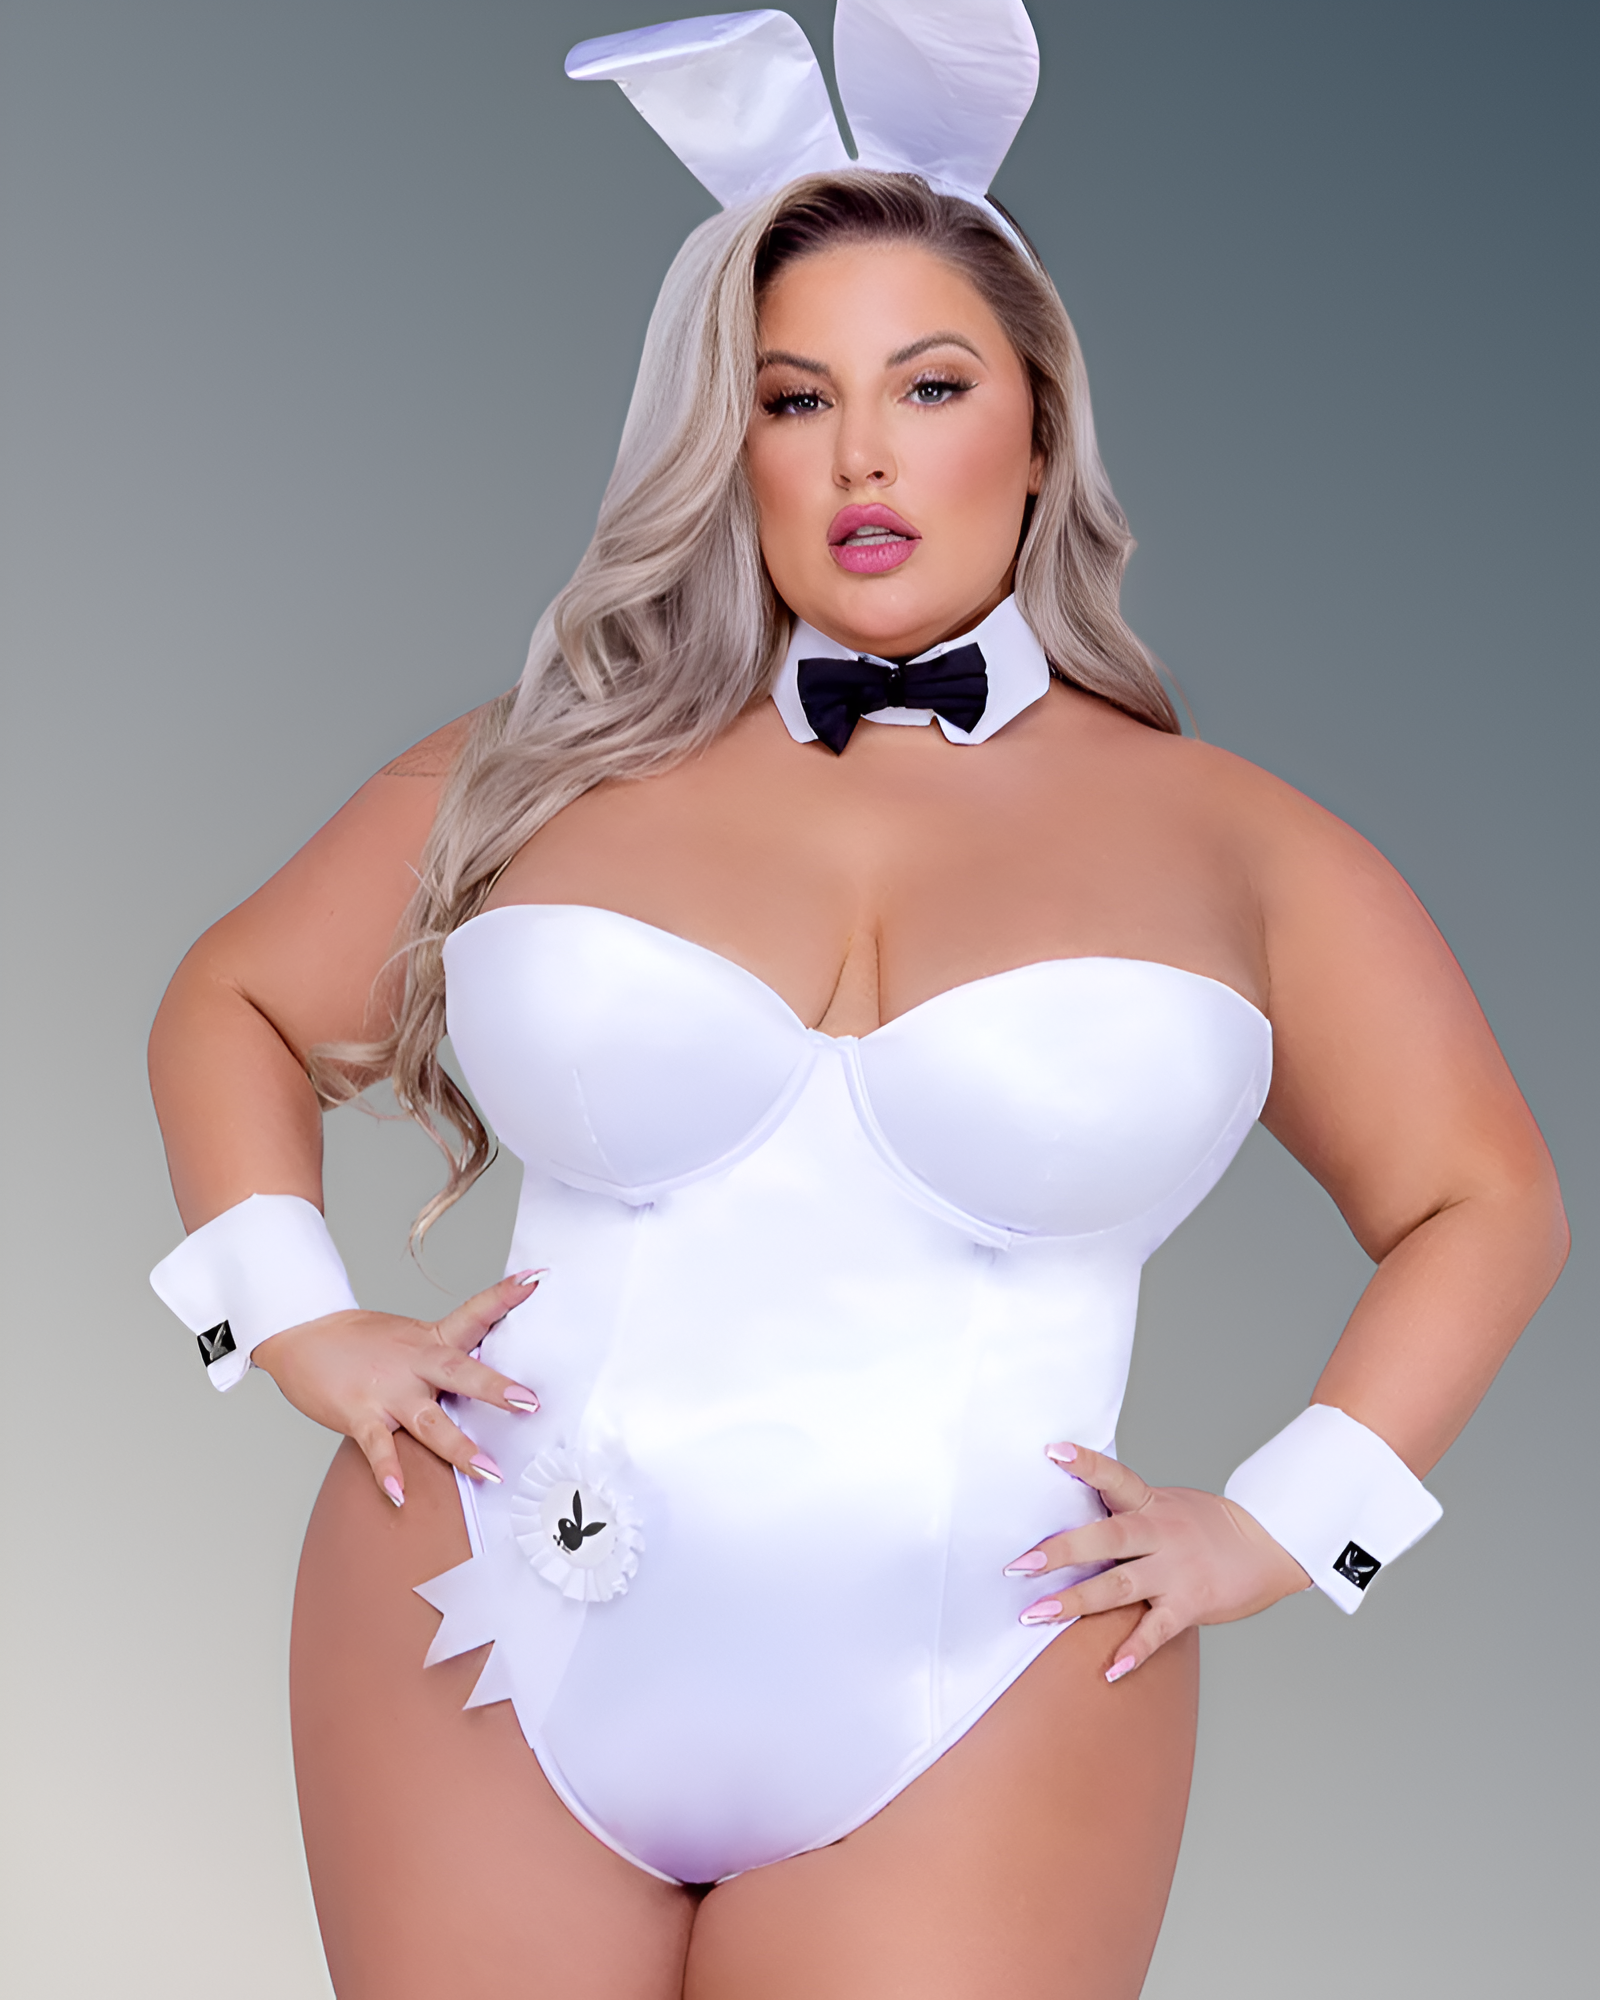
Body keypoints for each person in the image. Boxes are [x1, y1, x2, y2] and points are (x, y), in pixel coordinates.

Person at [146, 7, 1567, 1996]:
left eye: (930, 383)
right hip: (470, 1611)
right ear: (725, 442)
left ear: (1039, 427)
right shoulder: (539, 770)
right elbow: (227, 1000)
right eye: (794, 397)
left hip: (992, 1677)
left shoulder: (1242, 845)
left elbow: (1485, 1203)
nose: (864, 454)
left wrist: (1287, 1526)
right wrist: (287, 1325)